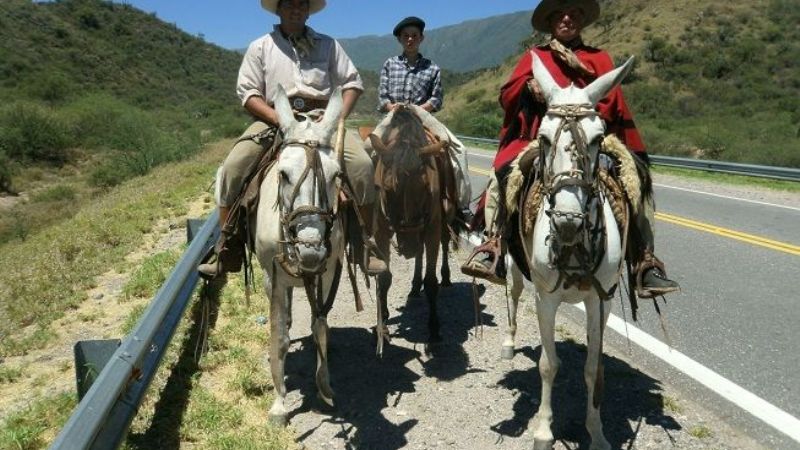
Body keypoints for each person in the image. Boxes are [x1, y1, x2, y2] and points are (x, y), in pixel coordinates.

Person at [461, 0, 679, 298]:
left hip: (592, 139)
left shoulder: (598, 58)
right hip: (541, 138)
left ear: (581, 21)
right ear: (551, 22)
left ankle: (644, 261)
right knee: (502, 176)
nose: (567, 19)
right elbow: (507, 95)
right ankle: (494, 243)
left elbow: (612, 102)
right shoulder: (535, 57)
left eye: (574, 14)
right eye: (560, 15)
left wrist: (587, 116)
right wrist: (528, 87)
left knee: (636, 182)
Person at [199, 0, 387, 277]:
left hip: (323, 120)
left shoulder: (329, 45)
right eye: (289, 3)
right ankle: (228, 247)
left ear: (309, 10)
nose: (296, 8)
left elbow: (352, 84)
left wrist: (336, 118)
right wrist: (279, 119)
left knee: (362, 166)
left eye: (302, 3)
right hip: (275, 119)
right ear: (278, 9)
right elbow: (248, 94)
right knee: (233, 167)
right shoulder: (261, 46)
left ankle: (364, 245)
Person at [375, 16, 472, 223]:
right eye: (406, 36)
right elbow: (382, 96)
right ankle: (369, 204)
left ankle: (461, 204)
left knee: (458, 150)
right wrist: (394, 107)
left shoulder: (432, 68)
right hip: (394, 116)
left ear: (421, 39)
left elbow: (436, 98)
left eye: (414, 36)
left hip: (422, 116)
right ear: (400, 39)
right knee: (368, 151)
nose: (410, 39)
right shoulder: (389, 65)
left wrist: (419, 109)